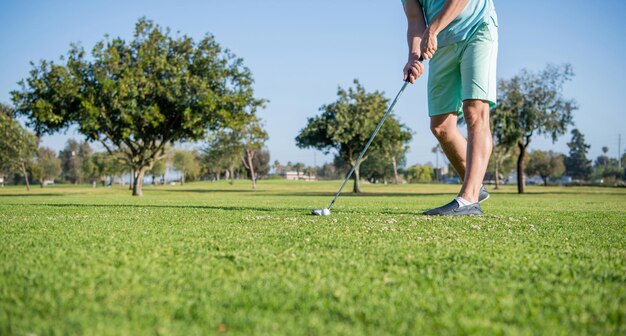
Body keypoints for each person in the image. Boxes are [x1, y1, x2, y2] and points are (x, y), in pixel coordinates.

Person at [402, 0, 498, 216]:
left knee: (475, 111)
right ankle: (475, 186)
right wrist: (413, 58)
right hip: (441, 43)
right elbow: (415, 20)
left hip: (476, 29)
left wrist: (433, 29)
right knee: (441, 126)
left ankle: (469, 199)